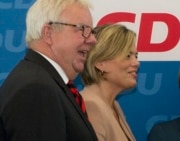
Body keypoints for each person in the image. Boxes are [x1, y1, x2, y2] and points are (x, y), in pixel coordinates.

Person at [0, 0, 98, 141]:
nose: (93, 40)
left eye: (92, 31)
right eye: (82, 29)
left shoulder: (43, 81)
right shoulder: (37, 88)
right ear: (48, 34)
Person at [79, 23, 139, 141]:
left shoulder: (113, 105)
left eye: (136, 56)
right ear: (100, 63)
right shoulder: (91, 106)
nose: (136, 63)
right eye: (128, 56)